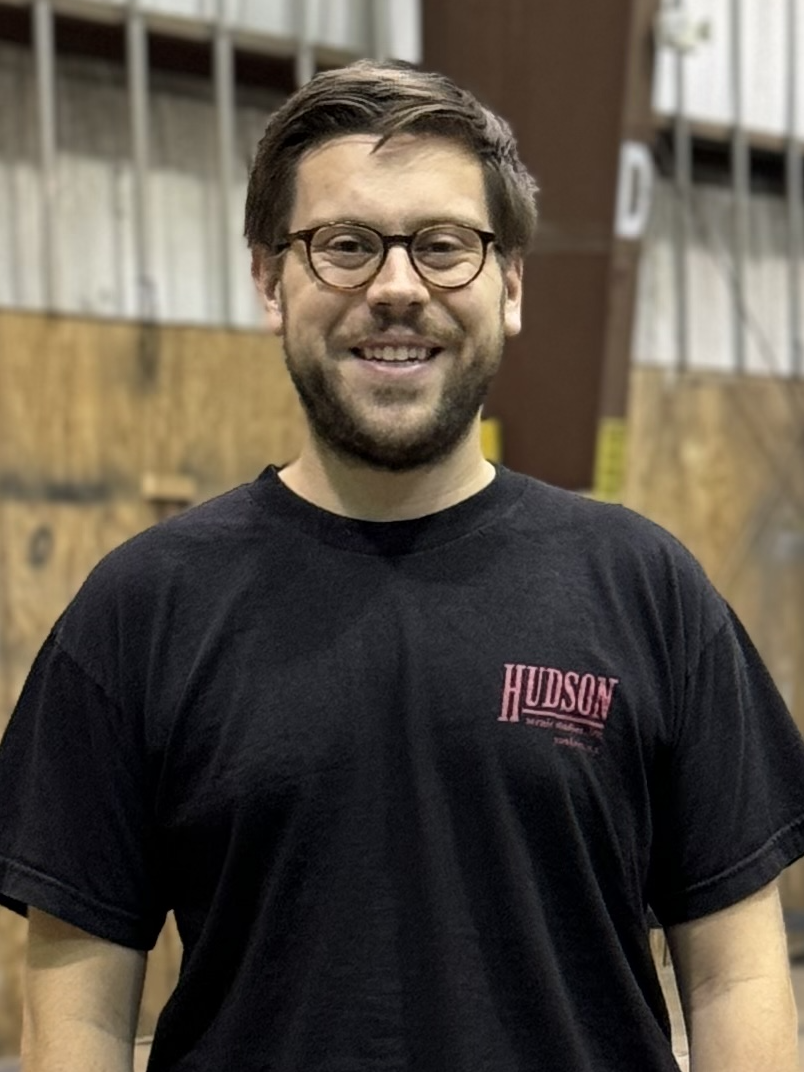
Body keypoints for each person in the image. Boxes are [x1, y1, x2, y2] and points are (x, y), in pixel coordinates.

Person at [1, 59, 803, 1072]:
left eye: (442, 246)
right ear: (269, 280)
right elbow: (76, 1014)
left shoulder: (648, 591)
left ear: (509, 283)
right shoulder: (140, 610)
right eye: (344, 245)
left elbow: (735, 977)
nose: (394, 287)